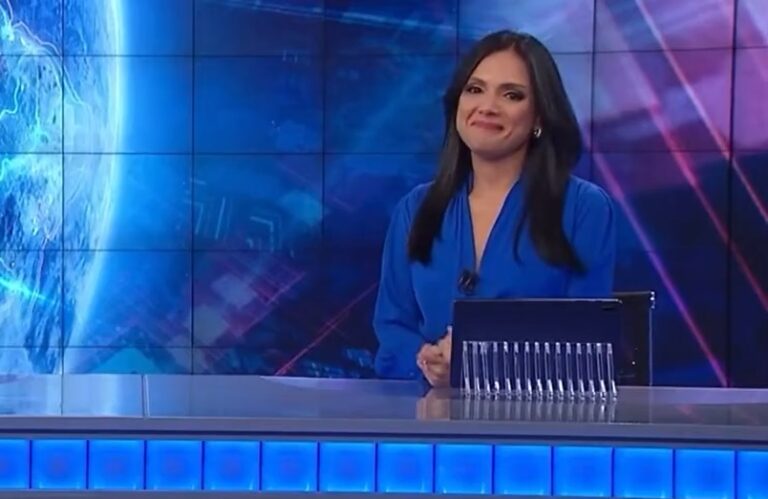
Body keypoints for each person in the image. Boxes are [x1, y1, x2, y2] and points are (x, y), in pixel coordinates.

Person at [372, 30, 617, 387]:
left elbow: (587, 343)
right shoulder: (416, 209)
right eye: (475, 89)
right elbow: (393, 328)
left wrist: (478, 366)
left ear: (539, 117)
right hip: (430, 413)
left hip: (537, 416)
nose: (487, 106)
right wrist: (427, 361)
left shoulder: (584, 209)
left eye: (512, 95)